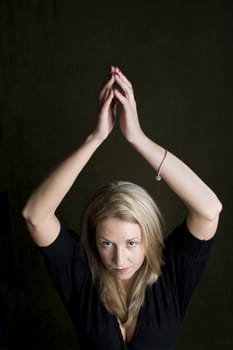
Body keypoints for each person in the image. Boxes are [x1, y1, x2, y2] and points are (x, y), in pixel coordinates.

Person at [22, 66, 222, 350]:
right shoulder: (81, 273)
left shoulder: (172, 271)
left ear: (148, 238)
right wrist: (96, 138)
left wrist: (137, 137)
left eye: (131, 243)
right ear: (93, 239)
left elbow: (209, 209)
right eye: (106, 243)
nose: (119, 258)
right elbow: (34, 216)